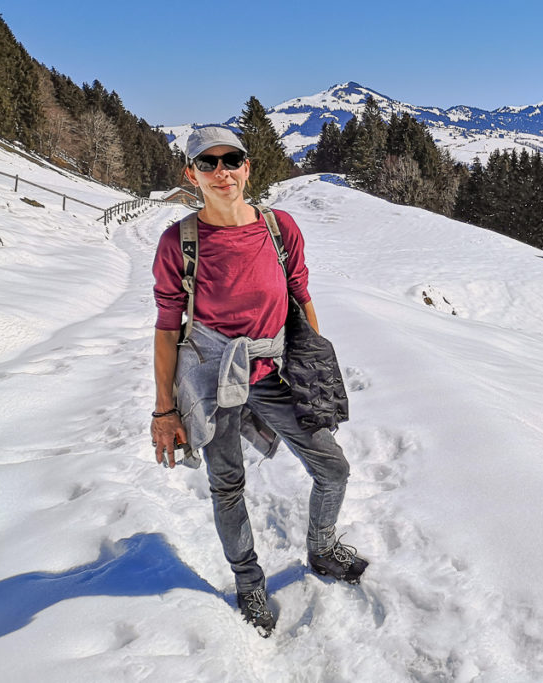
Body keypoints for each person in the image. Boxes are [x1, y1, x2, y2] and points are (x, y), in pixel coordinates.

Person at [150, 126, 366, 638]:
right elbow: (165, 327)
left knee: (332, 468)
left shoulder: (278, 227)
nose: (222, 172)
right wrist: (164, 410)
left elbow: (300, 295)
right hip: (209, 379)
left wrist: (314, 365)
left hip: (273, 373)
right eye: (209, 163)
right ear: (191, 174)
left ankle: (321, 547)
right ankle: (248, 581)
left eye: (232, 160)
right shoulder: (179, 241)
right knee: (228, 487)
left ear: (248, 167)